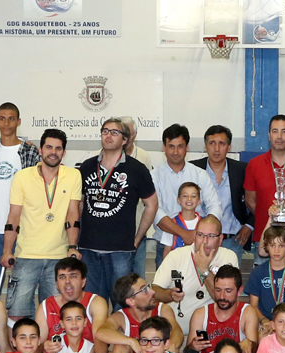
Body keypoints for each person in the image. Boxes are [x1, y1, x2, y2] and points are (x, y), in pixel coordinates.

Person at [2, 129, 83, 318]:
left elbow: (72, 213)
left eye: (58, 148)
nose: (53, 152)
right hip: (26, 256)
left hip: (58, 257)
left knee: (55, 315)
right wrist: (7, 250)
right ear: (40, 149)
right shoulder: (22, 176)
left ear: (64, 152)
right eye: (48, 147)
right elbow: (14, 216)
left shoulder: (73, 176)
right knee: (16, 313)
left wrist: (72, 247)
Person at [78, 118, 159, 304]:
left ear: (125, 140)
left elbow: (152, 204)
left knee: (121, 305)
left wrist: (137, 239)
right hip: (89, 248)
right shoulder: (87, 166)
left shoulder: (137, 169)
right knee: (91, 305)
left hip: (120, 250)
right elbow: (79, 204)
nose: (108, 135)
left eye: (115, 132)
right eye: (105, 131)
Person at [0, 102, 43, 298]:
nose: (7, 123)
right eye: (2, 118)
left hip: (22, 231)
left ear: (19, 122)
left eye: (11, 118)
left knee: (23, 292)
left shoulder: (30, 151)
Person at [153, 215, 241, 331]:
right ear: (194, 236)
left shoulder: (228, 257)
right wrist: (169, 295)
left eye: (211, 236)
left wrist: (204, 269)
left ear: (220, 240)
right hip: (176, 331)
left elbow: (225, 300)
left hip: (212, 331)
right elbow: (154, 291)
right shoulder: (177, 255)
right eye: (200, 235)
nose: (204, 241)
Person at [150, 125, 222, 258]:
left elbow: (214, 206)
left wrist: (204, 232)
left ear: (187, 147)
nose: (175, 152)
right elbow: (155, 212)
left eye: (180, 146)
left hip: (199, 243)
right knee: (166, 279)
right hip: (166, 244)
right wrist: (184, 233)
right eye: (171, 146)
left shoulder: (199, 174)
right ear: (164, 147)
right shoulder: (154, 176)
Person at [192, 125, 254, 255]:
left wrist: (249, 225)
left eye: (222, 143)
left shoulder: (241, 170)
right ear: (206, 146)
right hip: (201, 239)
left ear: (229, 147)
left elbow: (257, 199)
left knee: (230, 276)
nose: (216, 149)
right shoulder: (194, 169)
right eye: (212, 143)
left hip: (233, 240)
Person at [189, 265, 261, 353]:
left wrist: (249, 343)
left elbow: (253, 352)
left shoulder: (247, 312)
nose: (222, 296)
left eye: (228, 291)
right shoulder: (201, 314)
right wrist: (193, 346)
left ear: (239, 291)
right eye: (218, 290)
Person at [245, 226, 285, 337]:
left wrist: (281, 323)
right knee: (261, 336)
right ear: (266, 246)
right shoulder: (258, 272)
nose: (276, 250)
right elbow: (253, 305)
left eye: (281, 246)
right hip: (265, 321)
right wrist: (265, 321)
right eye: (272, 245)